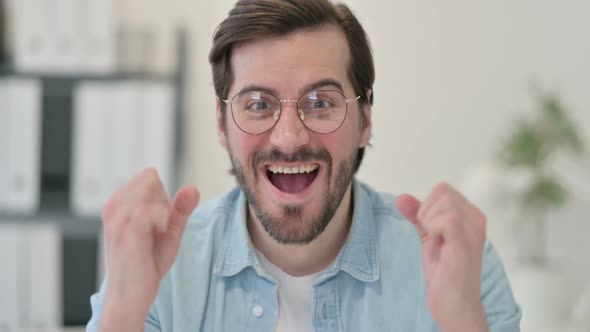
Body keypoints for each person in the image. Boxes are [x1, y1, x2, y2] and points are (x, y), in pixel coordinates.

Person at [86, 0, 521, 331]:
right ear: (221, 123)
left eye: (320, 103)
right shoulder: (162, 272)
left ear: (365, 118)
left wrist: (462, 321)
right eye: (258, 104)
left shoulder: (461, 267)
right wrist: (123, 311)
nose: (289, 137)